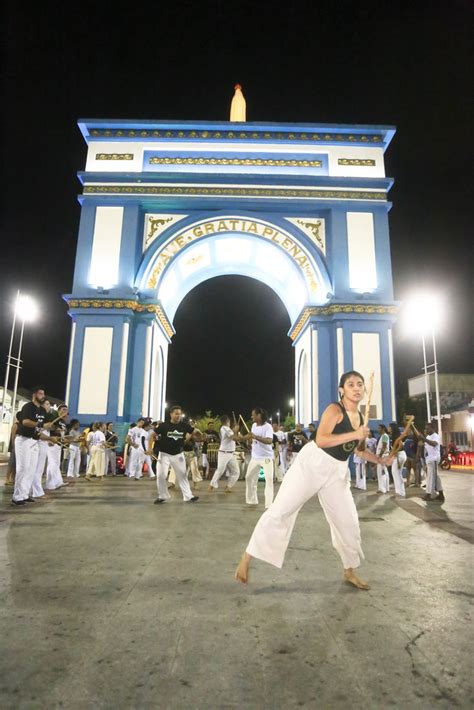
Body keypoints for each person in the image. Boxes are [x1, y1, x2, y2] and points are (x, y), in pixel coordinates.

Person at [235, 371, 394, 590]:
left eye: (360, 384)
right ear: (342, 390)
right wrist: (355, 434)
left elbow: (357, 451)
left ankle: (349, 570)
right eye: (351, 384)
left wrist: (380, 460)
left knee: (348, 521)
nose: (356, 388)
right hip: (312, 465)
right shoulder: (334, 410)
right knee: (281, 510)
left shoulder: (360, 419)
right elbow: (321, 440)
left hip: (337, 473)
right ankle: (247, 556)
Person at [11, 387, 60, 506]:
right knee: (23, 468)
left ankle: (25, 494)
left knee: (31, 469)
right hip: (23, 440)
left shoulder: (42, 411)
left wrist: (49, 438)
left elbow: (38, 431)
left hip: (34, 440)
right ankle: (17, 497)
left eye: (43, 393)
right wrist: (42, 424)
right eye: (40, 393)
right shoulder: (28, 407)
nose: (42, 395)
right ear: (34, 395)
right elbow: (25, 422)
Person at [153, 405, 202, 504]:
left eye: (180, 414)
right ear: (171, 414)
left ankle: (188, 496)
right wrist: (150, 449)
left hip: (178, 454)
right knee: (160, 475)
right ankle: (162, 496)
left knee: (182, 475)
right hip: (164, 454)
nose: (178, 416)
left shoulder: (184, 426)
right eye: (176, 414)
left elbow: (195, 432)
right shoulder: (164, 425)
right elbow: (152, 435)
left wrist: (200, 434)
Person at [245, 408, 274, 509]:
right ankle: (252, 500)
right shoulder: (253, 426)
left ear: (259, 415)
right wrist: (249, 442)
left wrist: (256, 437)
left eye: (253, 415)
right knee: (248, 477)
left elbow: (269, 441)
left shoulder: (268, 427)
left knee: (269, 479)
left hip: (266, 458)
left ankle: (269, 504)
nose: (252, 416)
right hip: (255, 457)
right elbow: (252, 439)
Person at [208, 415, 246, 492]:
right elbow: (234, 437)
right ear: (227, 421)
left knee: (236, 471)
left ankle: (228, 486)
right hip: (224, 453)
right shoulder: (224, 428)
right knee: (220, 470)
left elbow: (238, 438)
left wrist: (243, 436)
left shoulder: (229, 429)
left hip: (231, 454)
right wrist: (236, 430)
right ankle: (211, 485)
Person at [418, 422, 444, 502]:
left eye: (428, 428)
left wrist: (424, 439)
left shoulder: (435, 436)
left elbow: (434, 444)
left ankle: (428, 494)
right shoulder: (428, 436)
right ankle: (441, 495)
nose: (426, 430)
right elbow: (425, 446)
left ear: (433, 428)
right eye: (425, 428)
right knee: (436, 477)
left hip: (434, 459)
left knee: (430, 477)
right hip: (429, 459)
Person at [45, 404, 70, 491]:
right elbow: (49, 427)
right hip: (52, 442)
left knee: (55, 463)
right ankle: (53, 483)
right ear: (58, 410)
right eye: (63, 409)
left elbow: (63, 434)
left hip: (59, 443)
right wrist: (49, 439)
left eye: (66, 410)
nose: (65, 412)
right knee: (52, 463)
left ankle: (54, 483)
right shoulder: (54, 417)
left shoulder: (63, 422)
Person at [388, 421, 406, 497]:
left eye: (389, 427)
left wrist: (394, 452)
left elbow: (401, 445)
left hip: (399, 455)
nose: (388, 428)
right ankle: (401, 491)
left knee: (395, 473)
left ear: (392, 428)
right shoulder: (394, 435)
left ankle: (399, 492)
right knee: (398, 473)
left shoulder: (396, 436)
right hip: (401, 455)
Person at [376, 425, 390, 493]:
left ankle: (382, 489)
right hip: (383, 456)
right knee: (384, 472)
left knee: (381, 473)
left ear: (383, 429)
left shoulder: (384, 436)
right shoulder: (383, 436)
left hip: (382, 456)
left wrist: (379, 456)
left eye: (379, 428)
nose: (378, 430)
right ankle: (385, 488)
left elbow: (384, 447)